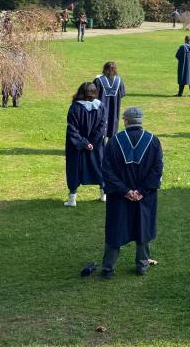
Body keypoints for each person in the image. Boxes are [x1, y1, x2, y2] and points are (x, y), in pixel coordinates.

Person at [99, 107, 164, 278]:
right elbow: (157, 169)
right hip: (145, 197)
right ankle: (142, 265)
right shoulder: (153, 141)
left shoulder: (114, 142)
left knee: (116, 229)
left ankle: (108, 268)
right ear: (141, 120)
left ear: (125, 120)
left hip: (119, 196)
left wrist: (125, 191)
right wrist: (142, 191)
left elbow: (107, 170)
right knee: (143, 228)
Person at [64, 82, 107, 207]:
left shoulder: (75, 108)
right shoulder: (101, 107)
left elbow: (72, 129)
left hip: (76, 145)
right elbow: (102, 127)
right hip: (96, 145)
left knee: (74, 168)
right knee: (99, 166)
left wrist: (84, 142)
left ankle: (72, 199)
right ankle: (103, 194)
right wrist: (91, 142)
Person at [95, 62, 126, 140]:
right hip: (114, 108)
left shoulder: (98, 80)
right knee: (113, 126)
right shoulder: (119, 80)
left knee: (101, 125)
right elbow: (122, 93)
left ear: (104, 69)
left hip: (101, 108)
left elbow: (94, 95)